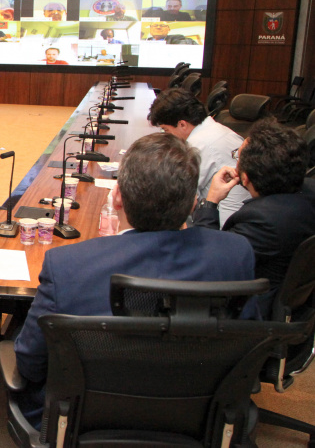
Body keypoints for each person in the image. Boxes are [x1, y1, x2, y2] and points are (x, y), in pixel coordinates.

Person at [14, 133, 255, 425]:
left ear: (116, 197)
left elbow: (30, 362)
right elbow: (245, 340)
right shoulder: (235, 253)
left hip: (84, 420)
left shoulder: (67, 265)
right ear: (194, 203)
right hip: (197, 416)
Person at [192, 118, 315, 316]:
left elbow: (210, 263)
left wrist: (210, 202)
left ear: (245, 177)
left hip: (250, 317)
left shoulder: (262, 221)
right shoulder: (309, 191)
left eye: (237, 158)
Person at [148, 88, 251, 224]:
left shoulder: (197, 145)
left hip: (220, 226)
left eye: (166, 130)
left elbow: (175, 198)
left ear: (182, 124)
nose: (166, 135)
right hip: (242, 217)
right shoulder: (220, 130)